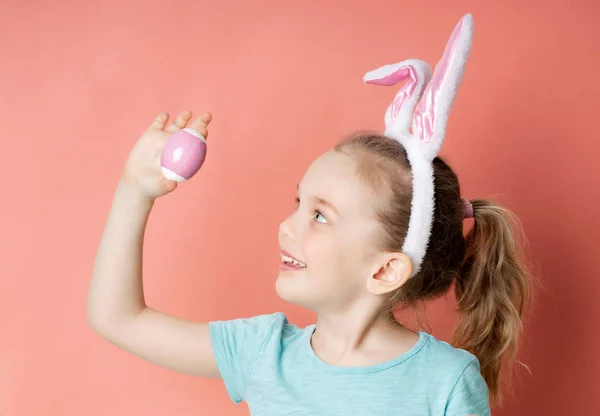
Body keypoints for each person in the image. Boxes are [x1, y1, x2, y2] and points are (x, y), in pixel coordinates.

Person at [87, 14, 531, 415]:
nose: (286, 226)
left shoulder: (446, 382)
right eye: (298, 204)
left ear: (385, 269)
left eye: (320, 215)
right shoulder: (262, 352)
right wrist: (135, 189)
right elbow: (118, 318)